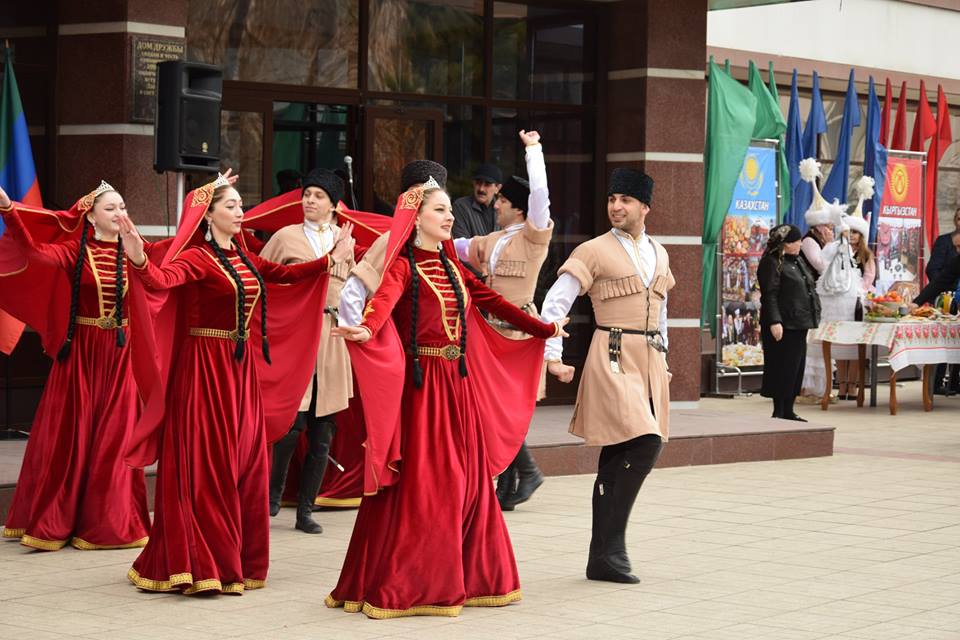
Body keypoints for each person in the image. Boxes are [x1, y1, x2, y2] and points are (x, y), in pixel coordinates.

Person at [326, 178, 567, 619]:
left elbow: (493, 301)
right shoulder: (403, 265)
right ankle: (415, 582)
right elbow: (382, 301)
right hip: (421, 391)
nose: (449, 216)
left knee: (469, 482)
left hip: (457, 387)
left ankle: (474, 578)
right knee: (427, 488)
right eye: (439, 210)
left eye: (447, 210)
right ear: (416, 218)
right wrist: (367, 327)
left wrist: (544, 329)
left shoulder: (453, 266)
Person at [120, 174, 355, 594]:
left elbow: (284, 273)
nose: (240, 211)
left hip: (239, 372)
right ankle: (200, 561)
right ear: (208, 215)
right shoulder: (197, 259)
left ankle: (237, 558)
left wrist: (329, 259)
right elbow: (161, 281)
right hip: (203, 372)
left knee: (245, 459)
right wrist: (139, 260)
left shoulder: (245, 257)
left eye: (240, 204)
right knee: (208, 463)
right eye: (229, 206)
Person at [538, 167, 674, 585]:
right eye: (612, 199)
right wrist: (552, 355)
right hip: (612, 352)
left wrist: (664, 359)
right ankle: (610, 550)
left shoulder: (660, 252)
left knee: (625, 450)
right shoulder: (592, 250)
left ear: (645, 206)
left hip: (649, 357)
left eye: (625, 200)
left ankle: (605, 556)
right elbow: (554, 306)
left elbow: (662, 309)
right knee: (645, 442)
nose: (616, 206)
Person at [0, 182, 151, 551]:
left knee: (117, 439)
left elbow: (167, 272)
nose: (120, 214)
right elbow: (34, 252)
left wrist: (207, 200)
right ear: (91, 214)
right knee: (74, 436)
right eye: (111, 208)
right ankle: (60, 519)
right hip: (83, 355)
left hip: (121, 357)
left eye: (123, 206)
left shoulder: (136, 247)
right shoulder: (74, 251)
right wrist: (8, 208)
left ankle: (110, 524)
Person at [454, 130, 553, 511]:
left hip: (518, 331)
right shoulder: (493, 240)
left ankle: (520, 475)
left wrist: (533, 150)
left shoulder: (533, 237)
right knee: (489, 405)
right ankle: (513, 480)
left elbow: (541, 194)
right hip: (489, 331)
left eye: (504, 201)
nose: (496, 205)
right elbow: (456, 246)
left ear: (520, 207)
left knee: (508, 406)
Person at [260, 169, 355, 534]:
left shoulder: (346, 239)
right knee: (291, 425)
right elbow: (263, 278)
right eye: (307, 194)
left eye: (318, 195)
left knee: (323, 429)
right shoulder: (285, 237)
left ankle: (305, 510)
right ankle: (272, 495)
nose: (309, 200)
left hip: (332, 340)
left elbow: (357, 289)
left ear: (333, 204)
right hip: (297, 337)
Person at [338, 160, 448, 322]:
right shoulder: (392, 240)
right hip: (396, 339)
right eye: (415, 194)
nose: (421, 200)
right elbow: (352, 293)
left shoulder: (444, 245)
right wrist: (362, 339)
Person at [757, 224, 820, 422]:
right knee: (782, 367)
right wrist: (775, 321)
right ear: (784, 244)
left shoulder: (796, 260)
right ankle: (779, 410)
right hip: (783, 324)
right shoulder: (771, 262)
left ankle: (789, 410)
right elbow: (769, 295)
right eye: (796, 241)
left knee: (795, 368)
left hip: (799, 323)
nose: (800, 244)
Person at [797, 159, 837, 402]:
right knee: (811, 343)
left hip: (821, 299)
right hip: (808, 296)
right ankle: (807, 388)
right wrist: (832, 246)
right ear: (819, 225)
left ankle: (821, 387)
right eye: (828, 225)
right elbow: (821, 266)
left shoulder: (823, 240)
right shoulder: (809, 241)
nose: (831, 228)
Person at [833, 180, 877, 399]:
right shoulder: (838, 251)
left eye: (855, 233)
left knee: (856, 346)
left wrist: (857, 289)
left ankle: (853, 384)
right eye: (849, 232)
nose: (851, 236)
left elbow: (869, 277)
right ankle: (841, 384)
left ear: (861, 235)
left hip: (859, 303)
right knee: (842, 345)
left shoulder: (867, 255)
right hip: (841, 304)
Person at [451, 162, 502, 240]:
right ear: (473, 183)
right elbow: (460, 244)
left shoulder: (502, 209)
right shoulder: (461, 206)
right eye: (478, 183)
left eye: (487, 184)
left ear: (497, 188)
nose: (481, 189)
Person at [925, 207, 960, 283]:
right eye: (959, 219)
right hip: (949, 292)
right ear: (955, 221)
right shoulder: (944, 241)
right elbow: (932, 269)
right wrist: (943, 288)